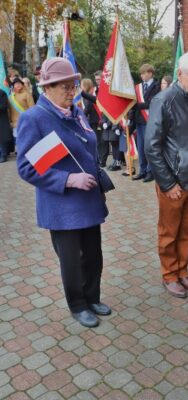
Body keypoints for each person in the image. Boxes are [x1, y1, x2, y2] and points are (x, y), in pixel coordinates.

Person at [16, 57, 110, 328]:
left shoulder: (76, 111)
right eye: (65, 87)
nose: (72, 92)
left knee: (93, 255)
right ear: (46, 88)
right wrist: (69, 179)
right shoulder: (34, 119)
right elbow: (25, 167)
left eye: (74, 86)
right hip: (63, 203)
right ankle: (78, 305)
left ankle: (92, 297)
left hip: (89, 199)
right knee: (72, 260)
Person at [144, 51, 188, 298]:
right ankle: (169, 275)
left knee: (187, 230)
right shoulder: (164, 100)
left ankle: (183, 272)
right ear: (180, 74)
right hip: (174, 183)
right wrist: (167, 182)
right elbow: (151, 146)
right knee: (169, 232)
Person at [132, 63, 160, 182]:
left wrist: (135, 105)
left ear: (150, 73)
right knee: (141, 147)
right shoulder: (138, 87)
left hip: (150, 120)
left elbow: (150, 103)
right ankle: (142, 170)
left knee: (149, 147)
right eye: (141, 73)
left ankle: (150, 171)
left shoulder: (157, 86)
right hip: (139, 120)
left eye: (144, 73)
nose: (142, 75)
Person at [0, 88, 12, 163]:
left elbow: (4, 106)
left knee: (2, 138)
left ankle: (3, 155)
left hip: (1, 119)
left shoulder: (2, 93)